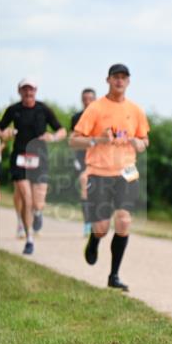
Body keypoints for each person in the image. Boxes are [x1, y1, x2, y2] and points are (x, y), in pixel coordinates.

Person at [69, 64, 150, 291]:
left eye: (124, 77)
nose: (119, 81)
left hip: (127, 172)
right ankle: (94, 240)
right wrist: (98, 140)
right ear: (108, 80)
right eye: (116, 77)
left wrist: (140, 143)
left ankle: (113, 275)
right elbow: (74, 140)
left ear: (128, 82)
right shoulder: (95, 108)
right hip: (99, 172)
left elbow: (144, 140)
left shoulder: (135, 110)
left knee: (123, 221)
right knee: (102, 227)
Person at [0, 79, 67, 255]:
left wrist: (53, 137)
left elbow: (62, 130)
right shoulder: (14, 110)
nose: (28, 93)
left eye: (31, 89)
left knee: (37, 202)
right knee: (26, 198)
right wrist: (5, 133)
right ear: (19, 91)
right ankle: (29, 239)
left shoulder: (43, 109)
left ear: (36, 91)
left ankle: (38, 213)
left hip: (39, 158)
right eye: (25, 89)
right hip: (20, 157)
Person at [71, 88, 97, 237]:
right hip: (81, 158)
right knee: (84, 187)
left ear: (95, 100)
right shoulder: (76, 118)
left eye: (90, 99)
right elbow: (72, 141)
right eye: (85, 99)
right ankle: (87, 223)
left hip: (99, 158)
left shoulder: (101, 116)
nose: (87, 102)